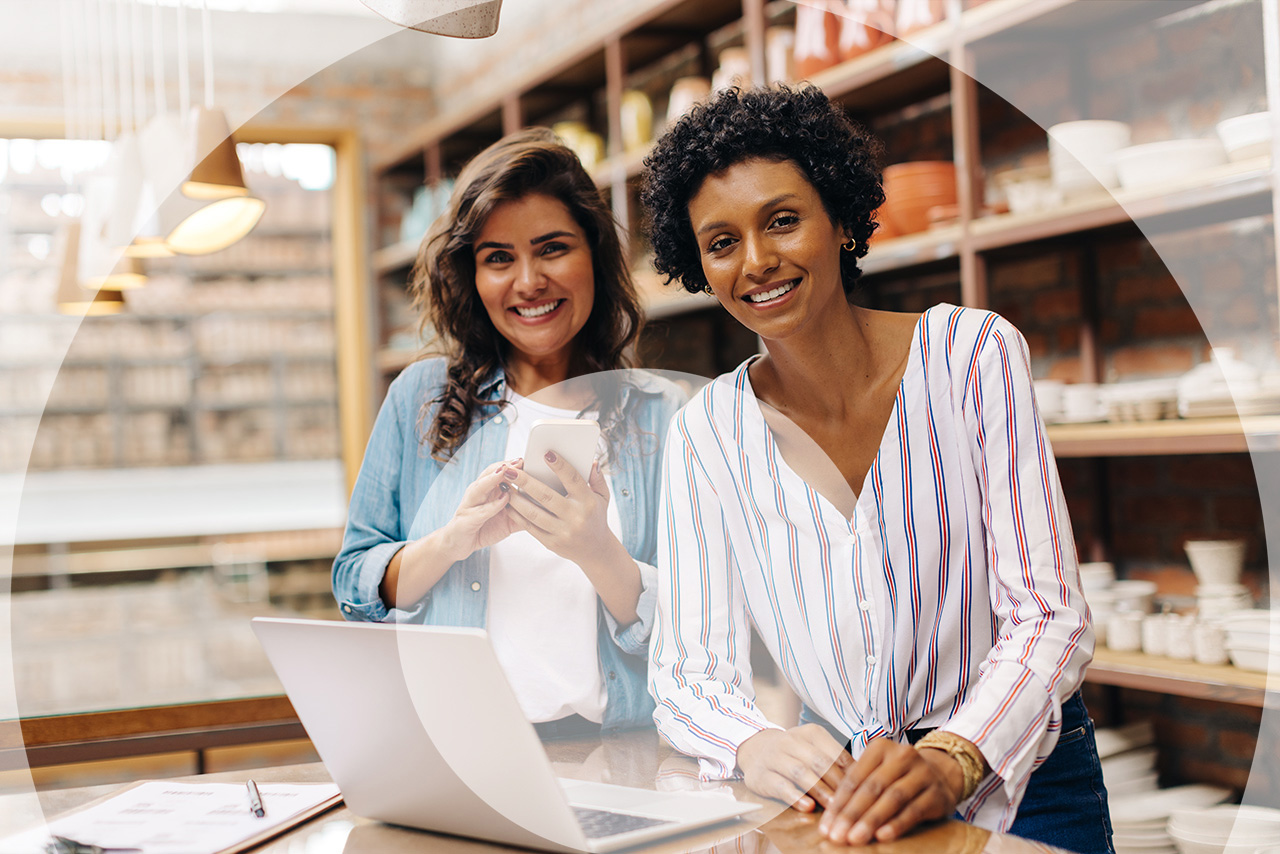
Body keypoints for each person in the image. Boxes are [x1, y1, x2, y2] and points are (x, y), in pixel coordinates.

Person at [642, 85, 1111, 853]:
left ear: (839, 218)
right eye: (721, 242)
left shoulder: (972, 356)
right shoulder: (706, 432)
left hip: (1021, 773)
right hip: (846, 791)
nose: (756, 262)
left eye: (782, 220)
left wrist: (955, 757)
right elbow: (688, 673)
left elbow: (1048, 613)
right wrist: (754, 744)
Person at [333, 127, 685, 735]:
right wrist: (450, 543)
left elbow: (702, 631)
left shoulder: (663, 413)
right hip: (457, 747)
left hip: (612, 751)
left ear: (595, 256)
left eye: (552, 248)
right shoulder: (420, 398)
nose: (528, 282)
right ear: (470, 275)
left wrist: (599, 553)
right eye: (498, 257)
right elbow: (355, 584)